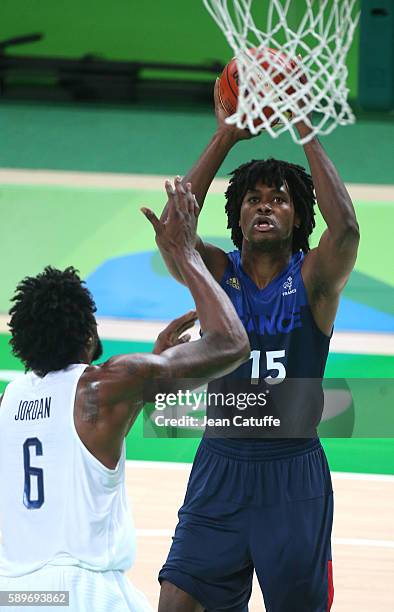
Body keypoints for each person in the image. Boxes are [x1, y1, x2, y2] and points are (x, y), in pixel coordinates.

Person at [0, 179, 250, 612]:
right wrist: (187, 255)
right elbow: (232, 344)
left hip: (15, 592)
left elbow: (83, 444)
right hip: (84, 591)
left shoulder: (12, 398)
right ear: (87, 329)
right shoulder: (105, 384)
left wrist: (150, 370)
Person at [157, 82, 360, 611]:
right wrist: (225, 137)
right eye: (253, 198)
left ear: (298, 217)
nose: (265, 206)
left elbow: (347, 232)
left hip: (292, 473)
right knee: (177, 601)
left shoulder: (313, 279)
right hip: (220, 465)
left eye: (279, 199)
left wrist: (306, 130)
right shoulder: (217, 274)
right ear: (238, 215)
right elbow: (174, 234)